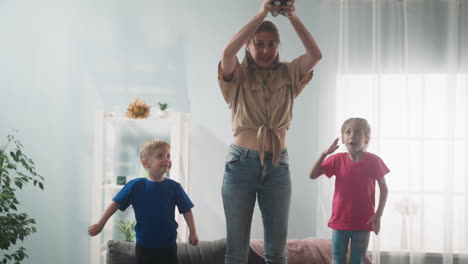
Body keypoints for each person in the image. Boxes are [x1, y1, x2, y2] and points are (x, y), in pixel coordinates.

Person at [218, 0, 322, 263]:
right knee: (236, 252)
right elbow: (227, 53)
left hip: (278, 166)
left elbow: (315, 55)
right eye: (259, 44)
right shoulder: (238, 75)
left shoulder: (289, 73)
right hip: (240, 164)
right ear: (249, 46)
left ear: (278, 46)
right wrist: (262, 12)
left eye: (271, 44)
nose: (266, 50)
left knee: (277, 252)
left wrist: (292, 17)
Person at [88, 139, 199, 264]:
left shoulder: (174, 187)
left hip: (168, 247)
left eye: (168, 155)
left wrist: (193, 232)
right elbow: (115, 204)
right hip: (144, 247)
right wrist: (100, 224)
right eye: (160, 156)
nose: (167, 159)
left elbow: (187, 210)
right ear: (146, 163)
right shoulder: (135, 186)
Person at [309, 118, 389, 264]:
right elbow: (312, 175)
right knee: (338, 259)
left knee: (357, 260)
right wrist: (324, 153)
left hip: (364, 221)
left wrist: (378, 215)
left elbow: (384, 189)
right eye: (348, 132)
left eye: (358, 132)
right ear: (344, 139)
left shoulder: (374, 161)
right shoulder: (337, 159)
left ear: (366, 139)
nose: (352, 135)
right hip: (340, 221)